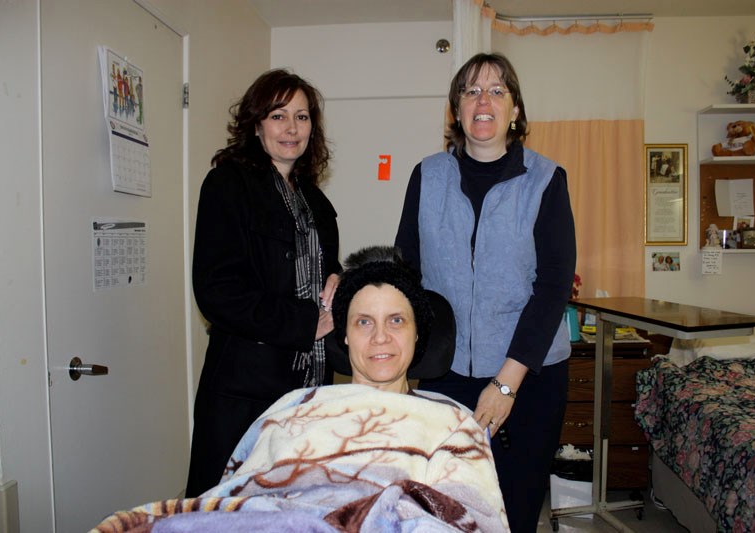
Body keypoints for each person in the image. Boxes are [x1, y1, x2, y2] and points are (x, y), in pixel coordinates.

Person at [94, 246, 508, 532]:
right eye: (364, 322)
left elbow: (470, 518)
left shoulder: (452, 424)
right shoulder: (293, 409)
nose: (380, 337)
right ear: (344, 335)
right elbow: (240, 496)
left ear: (419, 335)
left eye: (396, 321)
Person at [395, 52, 576, 530]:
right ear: (456, 108)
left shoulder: (546, 180)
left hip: (529, 375)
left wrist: (504, 384)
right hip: (445, 372)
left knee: (513, 511)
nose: (484, 100)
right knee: (447, 510)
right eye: (471, 90)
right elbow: (405, 274)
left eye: (498, 90)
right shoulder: (427, 176)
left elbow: (554, 286)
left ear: (515, 110)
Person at [186, 69, 341, 497]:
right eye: (278, 115)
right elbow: (217, 291)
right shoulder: (227, 184)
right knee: (230, 512)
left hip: (310, 388)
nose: (292, 128)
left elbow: (318, 273)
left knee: (295, 510)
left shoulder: (316, 201)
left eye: (302, 116)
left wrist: (337, 284)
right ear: (256, 124)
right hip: (246, 390)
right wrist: (304, 322)